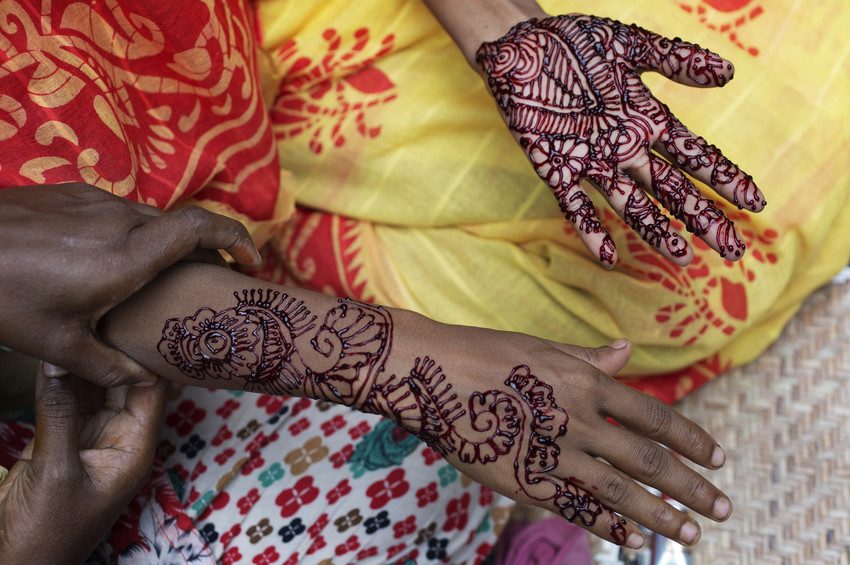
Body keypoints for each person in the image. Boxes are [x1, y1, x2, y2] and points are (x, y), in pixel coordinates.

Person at [2, 0, 847, 563]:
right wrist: (411, 365)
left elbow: (52, 254)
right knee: (445, 444)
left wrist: (506, 31)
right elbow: (66, 279)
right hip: (113, 332)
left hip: (252, 59)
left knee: (695, 221)